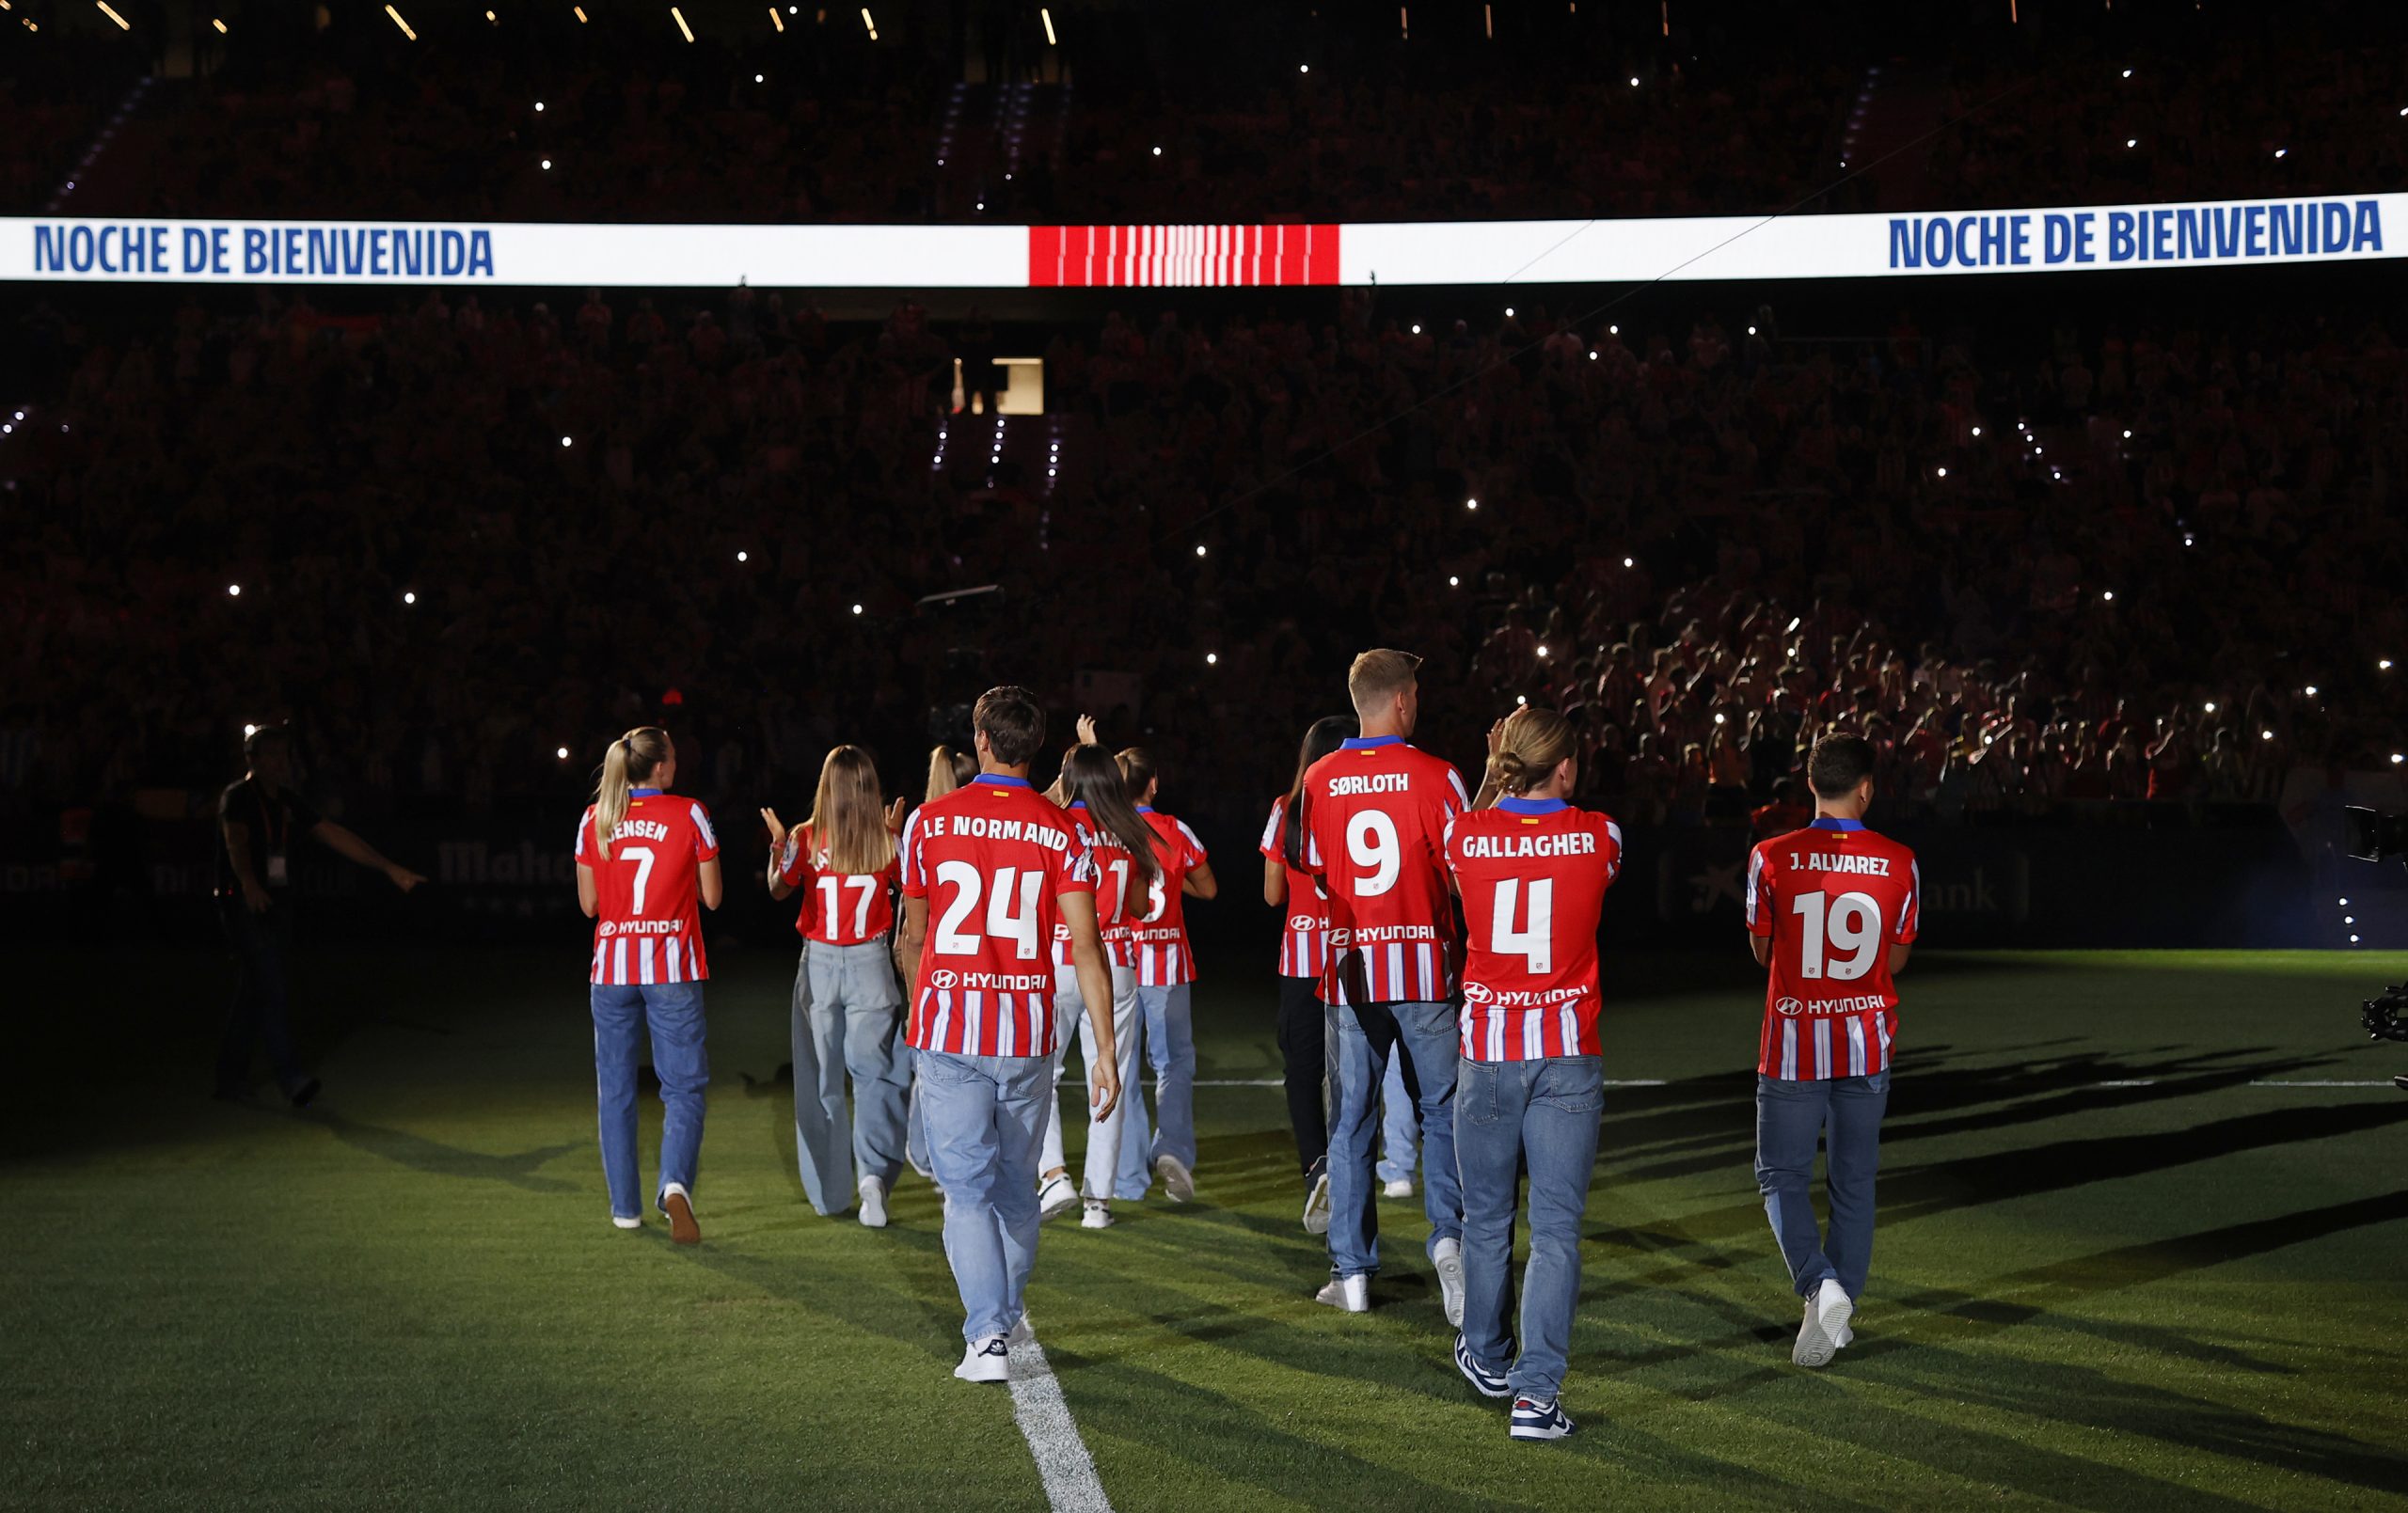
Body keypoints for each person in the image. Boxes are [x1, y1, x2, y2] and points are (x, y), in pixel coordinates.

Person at [897, 686, 1120, 1383]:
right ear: (1035, 747)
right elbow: (1086, 944)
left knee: (965, 1190)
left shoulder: (929, 822)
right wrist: (1106, 1047)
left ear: (983, 741)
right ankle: (1000, 1314)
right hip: (1026, 1029)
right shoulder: (1064, 830)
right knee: (1017, 1190)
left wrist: (919, 1007)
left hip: (951, 1025)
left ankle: (988, 1334)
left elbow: (914, 932)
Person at [1444, 706, 1624, 1442]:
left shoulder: (1466, 832)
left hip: (1487, 1049)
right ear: (1569, 767)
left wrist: (1491, 778)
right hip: (1566, 1051)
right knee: (1555, 1229)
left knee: (1485, 1218)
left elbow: (1468, 863)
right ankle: (1535, 1395)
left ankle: (1487, 1357)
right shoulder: (1602, 834)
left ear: (1505, 763)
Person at [1303, 649, 1471, 1318]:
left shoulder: (1318, 776)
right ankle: (1450, 1243)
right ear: (1402, 700)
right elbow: (1465, 873)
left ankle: (1352, 1272)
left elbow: (1317, 872)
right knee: (1441, 1113)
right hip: (1425, 967)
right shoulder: (1439, 776)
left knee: (1350, 1123)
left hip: (1351, 971)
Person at [1745, 733, 1921, 1368]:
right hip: (1865, 1042)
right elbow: (1895, 957)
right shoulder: (1900, 860)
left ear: (1809, 784)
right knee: (1853, 1183)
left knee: (1780, 1176)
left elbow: (1763, 951)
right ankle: (1833, 1304)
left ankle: (1819, 1286)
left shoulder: (1771, 855)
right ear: (1866, 788)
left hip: (1794, 1044)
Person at [214, 723, 425, 1105]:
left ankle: (229, 1078)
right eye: (272, 755)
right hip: (244, 901)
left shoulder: (287, 801)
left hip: (275, 901)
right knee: (271, 986)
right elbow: (236, 842)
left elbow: (334, 834)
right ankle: (290, 1077)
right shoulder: (238, 797)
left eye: (284, 754)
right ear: (253, 760)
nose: (281, 762)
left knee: (255, 989)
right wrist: (247, 882)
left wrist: (388, 868)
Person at [574, 727, 723, 1243]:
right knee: (682, 1089)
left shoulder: (595, 819)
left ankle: (625, 1209)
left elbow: (590, 906)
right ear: (659, 767)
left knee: (614, 1090)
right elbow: (712, 897)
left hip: (611, 970)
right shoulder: (690, 813)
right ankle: (675, 1184)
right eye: (674, 757)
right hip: (672, 969)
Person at [763, 746, 911, 1228]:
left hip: (822, 965)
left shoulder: (806, 839)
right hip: (870, 961)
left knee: (822, 1083)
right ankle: (873, 1179)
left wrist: (778, 848)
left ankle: (831, 1192)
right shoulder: (889, 841)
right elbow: (914, 892)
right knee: (875, 1080)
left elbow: (778, 890)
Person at [1037, 736, 1156, 1230]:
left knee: (1039, 1074)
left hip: (1060, 959)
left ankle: (1054, 1174)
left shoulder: (1055, 827)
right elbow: (1139, 907)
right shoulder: (1131, 831)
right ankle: (1098, 1203)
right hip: (1116, 965)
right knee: (1110, 1078)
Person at [1114, 747, 1216, 1205]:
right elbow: (1208, 887)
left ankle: (1127, 1172)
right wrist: (1175, 884)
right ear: (1153, 783)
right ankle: (1172, 1148)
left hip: (1119, 959)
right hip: (1167, 961)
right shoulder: (1175, 831)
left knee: (1122, 1065)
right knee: (1173, 1063)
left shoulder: (1109, 831)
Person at [1260, 715, 1352, 1233]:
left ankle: (1317, 1167)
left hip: (1301, 960)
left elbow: (1272, 894)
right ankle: (1347, 1170)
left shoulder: (1285, 809)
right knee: (1353, 1078)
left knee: (1302, 1074)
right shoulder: (1360, 802)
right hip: (1352, 957)